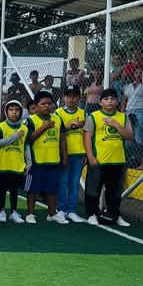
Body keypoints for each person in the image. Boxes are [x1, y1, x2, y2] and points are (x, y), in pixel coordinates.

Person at [84, 88, 133, 227]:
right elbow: (87, 137)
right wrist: (90, 156)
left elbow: (130, 136)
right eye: (106, 99)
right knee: (93, 189)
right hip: (99, 160)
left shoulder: (123, 117)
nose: (109, 101)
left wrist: (116, 125)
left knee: (115, 191)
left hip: (118, 160)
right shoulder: (93, 117)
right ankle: (92, 214)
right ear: (100, 102)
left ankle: (114, 215)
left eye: (112, 99)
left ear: (117, 101)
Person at [24, 91, 69, 224]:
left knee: (52, 189)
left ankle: (52, 213)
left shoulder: (57, 119)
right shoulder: (31, 120)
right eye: (43, 104)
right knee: (33, 189)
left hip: (53, 160)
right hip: (36, 161)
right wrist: (44, 127)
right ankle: (30, 214)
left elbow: (62, 139)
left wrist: (64, 156)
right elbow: (29, 139)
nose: (46, 106)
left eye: (49, 103)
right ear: (36, 106)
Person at [55, 85, 86, 222]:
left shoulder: (84, 113)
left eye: (74, 96)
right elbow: (57, 132)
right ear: (64, 97)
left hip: (79, 153)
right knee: (63, 182)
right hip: (64, 153)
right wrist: (71, 126)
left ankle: (71, 210)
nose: (71, 99)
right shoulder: (58, 113)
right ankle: (60, 209)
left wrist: (86, 153)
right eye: (68, 96)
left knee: (74, 183)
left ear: (79, 98)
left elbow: (87, 134)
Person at [0, 99, 28, 224]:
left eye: (17, 110)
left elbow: (26, 146)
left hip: (18, 164)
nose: (14, 112)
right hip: (4, 163)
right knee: (2, 189)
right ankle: (1, 211)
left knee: (14, 190)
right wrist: (15, 137)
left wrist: (29, 163)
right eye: (11, 110)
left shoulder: (24, 128)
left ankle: (14, 212)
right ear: (6, 112)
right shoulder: (1, 127)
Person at [123, 67, 143, 166]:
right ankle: (131, 157)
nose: (138, 75)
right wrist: (123, 109)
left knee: (138, 133)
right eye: (136, 73)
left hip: (141, 110)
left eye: (140, 73)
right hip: (129, 111)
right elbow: (125, 98)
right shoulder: (129, 86)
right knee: (128, 134)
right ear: (133, 74)